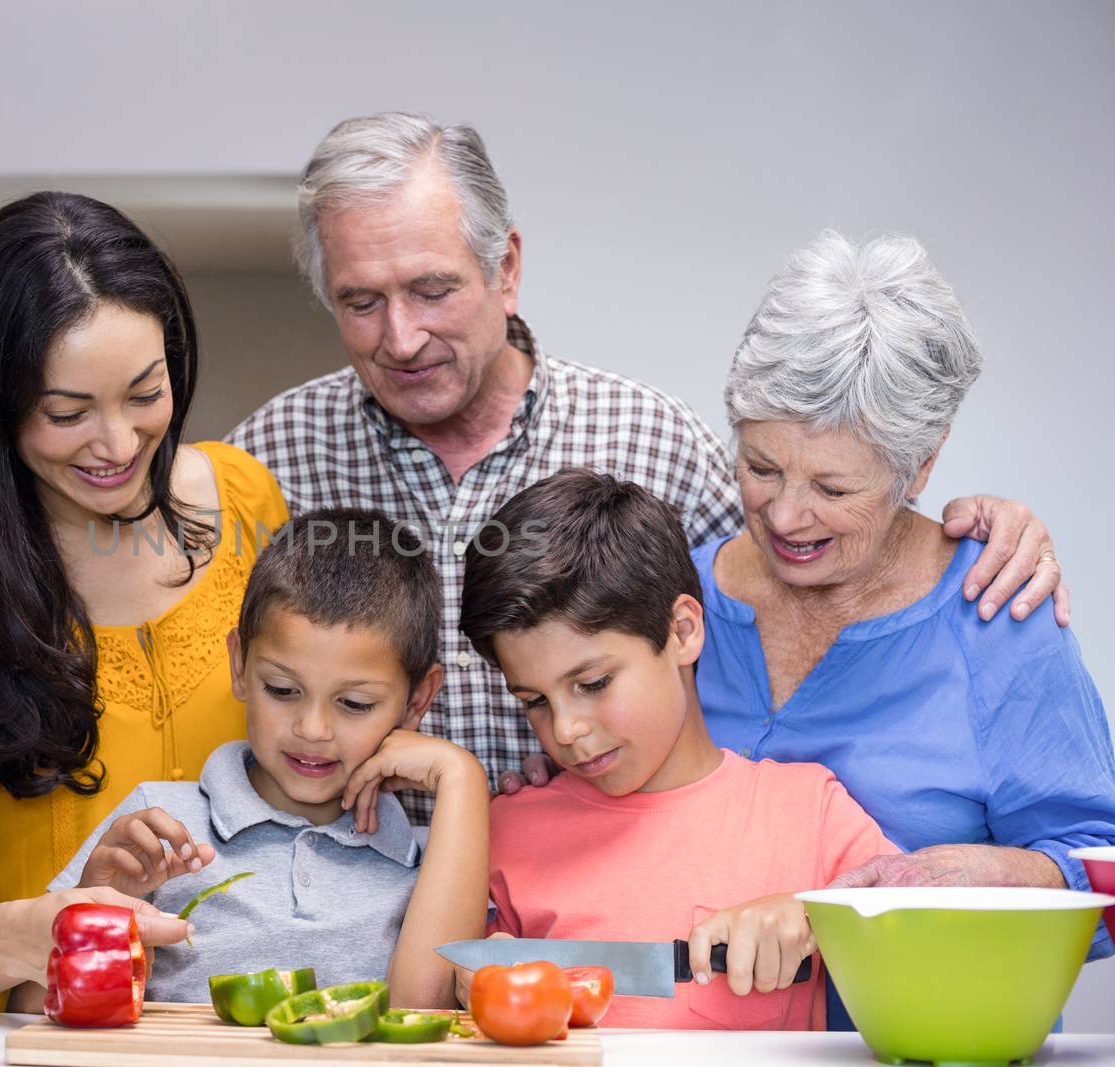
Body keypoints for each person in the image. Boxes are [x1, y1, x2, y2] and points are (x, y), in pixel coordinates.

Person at [222, 112, 1069, 823]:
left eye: (432, 290)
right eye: (361, 301)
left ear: (506, 268)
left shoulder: (654, 442)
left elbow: (793, 600)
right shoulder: (267, 457)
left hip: (604, 922)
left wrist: (955, 529)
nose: (400, 338)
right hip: (345, 935)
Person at [0, 191, 289, 1011]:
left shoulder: (250, 503)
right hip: (49, 1037)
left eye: (145, 393)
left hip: (245, 1035)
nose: (118, 446)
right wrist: (41, 928)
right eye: (67, 413)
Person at [686, 232, 1115, 951]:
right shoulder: (675, 596)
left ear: (921, 466)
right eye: (761, 466)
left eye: (833, 486)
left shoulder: (995, 611)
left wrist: (1009, 875)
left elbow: (1103, 871)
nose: (786, 515)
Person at [457, 468, 897, 1029]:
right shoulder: (502, 830)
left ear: (684, 631)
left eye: (592, 684)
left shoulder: (810, 814)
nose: (564, 730)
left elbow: (945, 956)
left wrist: (820, 916)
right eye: (534, 700)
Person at [54, 508, 488, 1010]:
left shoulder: (436, 859)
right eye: (282, 689)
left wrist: (461, 777)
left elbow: (422, 1015)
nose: (312, 729)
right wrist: (94, 908)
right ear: (239, 664)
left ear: (417, 701)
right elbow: (29, 1007)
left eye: (354, 703)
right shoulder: (157, 826)